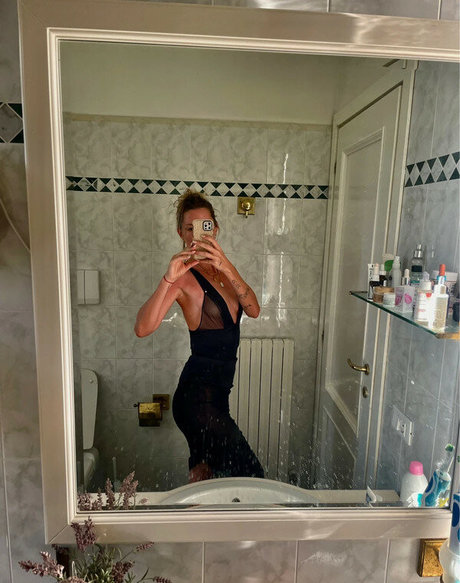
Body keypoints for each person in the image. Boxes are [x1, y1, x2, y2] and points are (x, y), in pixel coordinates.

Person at [135, 190, 264, 483]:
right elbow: (142, 328)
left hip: (218, 397)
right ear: (181, 233)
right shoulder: (182, 278)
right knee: (252, 476)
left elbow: (254, 310)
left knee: (205, 477)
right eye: (189, 228)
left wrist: (225, 264)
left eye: (204, 226)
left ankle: (194, 513)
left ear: (214, 229)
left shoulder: (225, 273)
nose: (196, 235)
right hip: (198, 400)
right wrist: (168, 278)